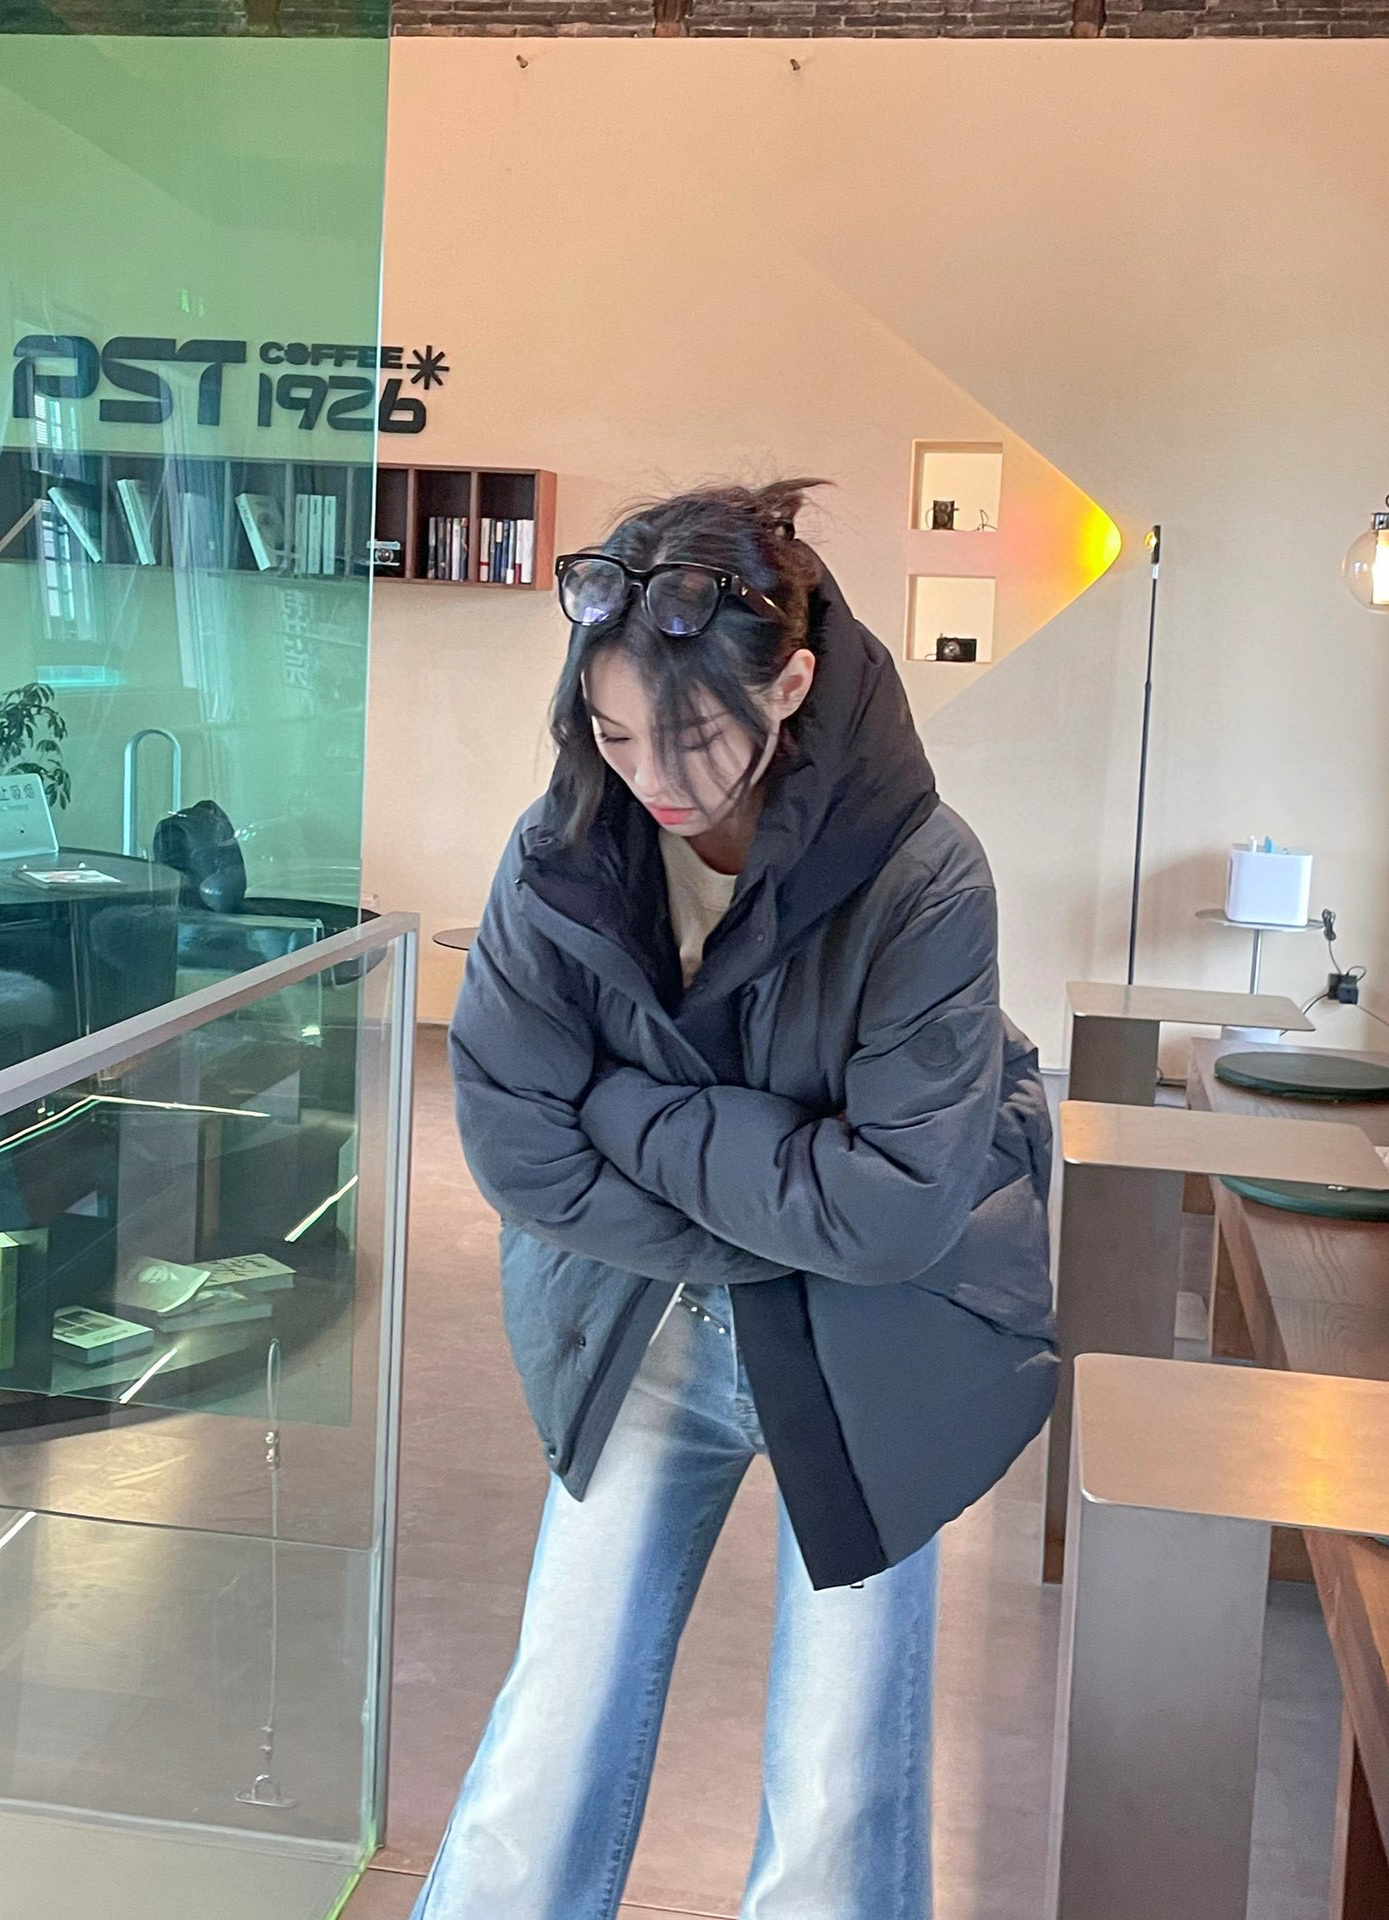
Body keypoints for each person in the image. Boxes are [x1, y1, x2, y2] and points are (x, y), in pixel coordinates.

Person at [414, 479, 1058, 1920]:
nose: (655, 775)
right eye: (613, 730)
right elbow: (517, 1147)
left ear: (793, 683)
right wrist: (780, 1197)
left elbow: (891, 1212)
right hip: (641, 1321)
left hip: (882, 1341)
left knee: (842, 1780)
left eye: (697, 736)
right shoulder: (561, 852)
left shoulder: (926, 876)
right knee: (549, 1733)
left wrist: (628, 1111)